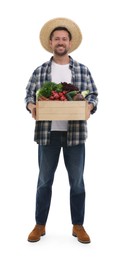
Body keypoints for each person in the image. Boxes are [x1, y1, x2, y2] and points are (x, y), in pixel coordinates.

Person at [25, 17, 98, 244]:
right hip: (48, 134)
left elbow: (93, 95)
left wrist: (89, 106)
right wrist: (32, 106)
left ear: (69, 42)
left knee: (77, 181)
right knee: (44, 181)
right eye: (56, 38)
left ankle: (78, 225)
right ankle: (40, 224)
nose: (60, 42)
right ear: (50, 42)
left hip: (75, 134)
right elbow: (29, 95)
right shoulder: (40, 71)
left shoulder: (82, 70)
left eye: (64, 38)